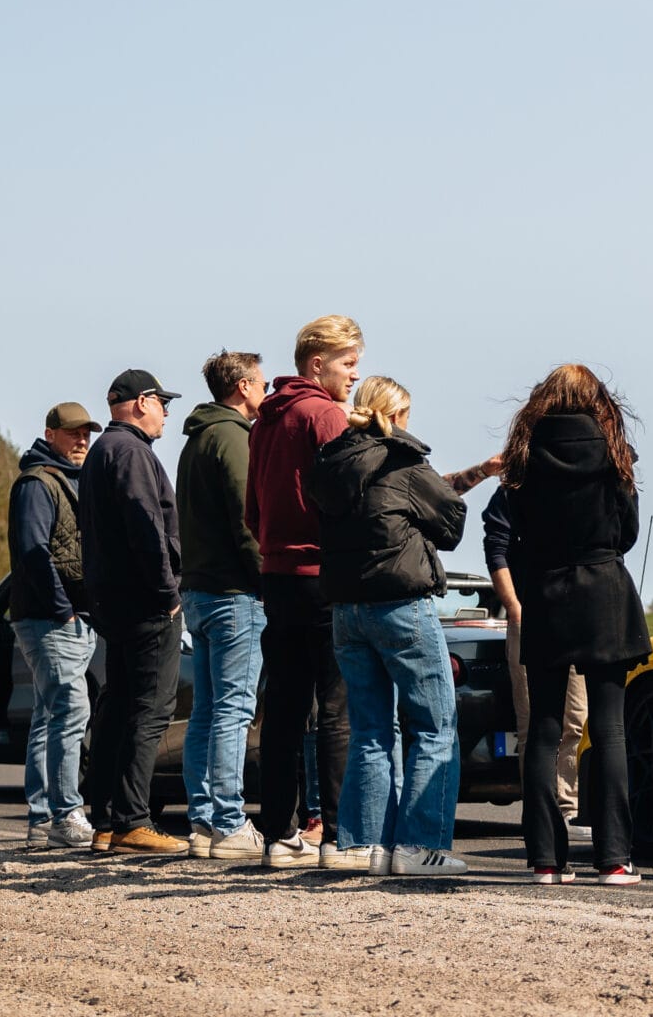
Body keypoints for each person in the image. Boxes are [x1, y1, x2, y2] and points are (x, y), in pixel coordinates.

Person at [308, 377, 492, 877]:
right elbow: (450, 525)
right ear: (397, 413)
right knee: (434, 727)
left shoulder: (329, 463)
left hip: (346, 610)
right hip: (401, 606)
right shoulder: (402, 460)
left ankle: (363, 846)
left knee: (370, 729)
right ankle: (419, 846)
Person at [505, 365, 652, 887]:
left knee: (544, 730)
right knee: (608, 729)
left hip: (545, 594)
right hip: (605, 593)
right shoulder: (614, 455)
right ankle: (614, 859)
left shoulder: (523, 457)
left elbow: (513, 530)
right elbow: (628, 533)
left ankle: (546, 859)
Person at [246, 316, 363, 869]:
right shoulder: (324, 415)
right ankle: (338, 837)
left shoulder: (265, 421)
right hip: (321, 575)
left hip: (275, 577)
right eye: (348, 362)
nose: (355, 373)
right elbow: (349, 499)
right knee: (335, 707)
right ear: (317, 364)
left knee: (286, 710)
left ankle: (279, 834)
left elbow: (251, 510)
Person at [78, 369, 186, 856]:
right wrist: (167, 592)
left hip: (112, 601)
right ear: (142, 402)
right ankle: (133, 821)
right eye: (163, 403)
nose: (166, 413)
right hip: (146, 603)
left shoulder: (102, 451)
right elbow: (147, 525)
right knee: (150, 708)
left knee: (117, 708)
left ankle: (103, 819)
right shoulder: (133, 452)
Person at [177, 350, 268, 861]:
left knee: (208, 713)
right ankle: (229, 822)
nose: (264, 392)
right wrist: (265, 576)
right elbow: (246, 516)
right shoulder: (232, 437)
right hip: (233, 592)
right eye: (259, 382)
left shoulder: (195, 439)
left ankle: (204, 820)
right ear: (241, 387)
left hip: (200, 591)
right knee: (233, 710)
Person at [9, 402, 101, 850]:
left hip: (66, 618)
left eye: (86, 433)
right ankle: (66, 815)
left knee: (49, 716)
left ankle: (43, 818)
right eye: (73, 433)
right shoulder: (36, 484)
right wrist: (64, 608)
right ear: (50, 433)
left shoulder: (67, 481)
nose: (82, 440)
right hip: (50, 619)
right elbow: (33, 552)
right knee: (71, 711)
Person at [482, 490, 591, 850]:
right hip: (529, 615)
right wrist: (513, 607)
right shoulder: (513, 490)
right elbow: (495, 548)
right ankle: (541, 814)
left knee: (576, 718)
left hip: (575, 613)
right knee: (534, 722)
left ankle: (567, 808)